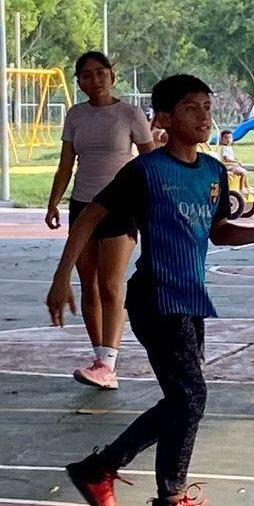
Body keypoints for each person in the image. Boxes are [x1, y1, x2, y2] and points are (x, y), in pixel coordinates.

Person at [48, 75, 254, 506]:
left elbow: (218, 230)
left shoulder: (212, 172)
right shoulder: (146, 171)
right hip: (155, 297)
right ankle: (163, 499)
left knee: (183, 401)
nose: (203, 115)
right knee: (191, 397)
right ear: (162, 119)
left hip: (190, 299)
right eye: (191, 108)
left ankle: (120, 480)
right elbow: (89, 215)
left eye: (207, 106)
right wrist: (63, 276)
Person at [44, 51, 155, 391]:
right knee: (88, 284)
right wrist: (53, 202)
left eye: (100, 73)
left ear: (112, 75)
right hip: (83, 205)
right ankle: (99, 359)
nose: (94, 80)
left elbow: (149, 160)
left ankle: (110, 363)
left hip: (121, 207)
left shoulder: (130, 114)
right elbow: (66, 164)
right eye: (86, 75)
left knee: (110, 284)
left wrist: (152, 205)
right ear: (78, 82)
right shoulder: (75, 116)